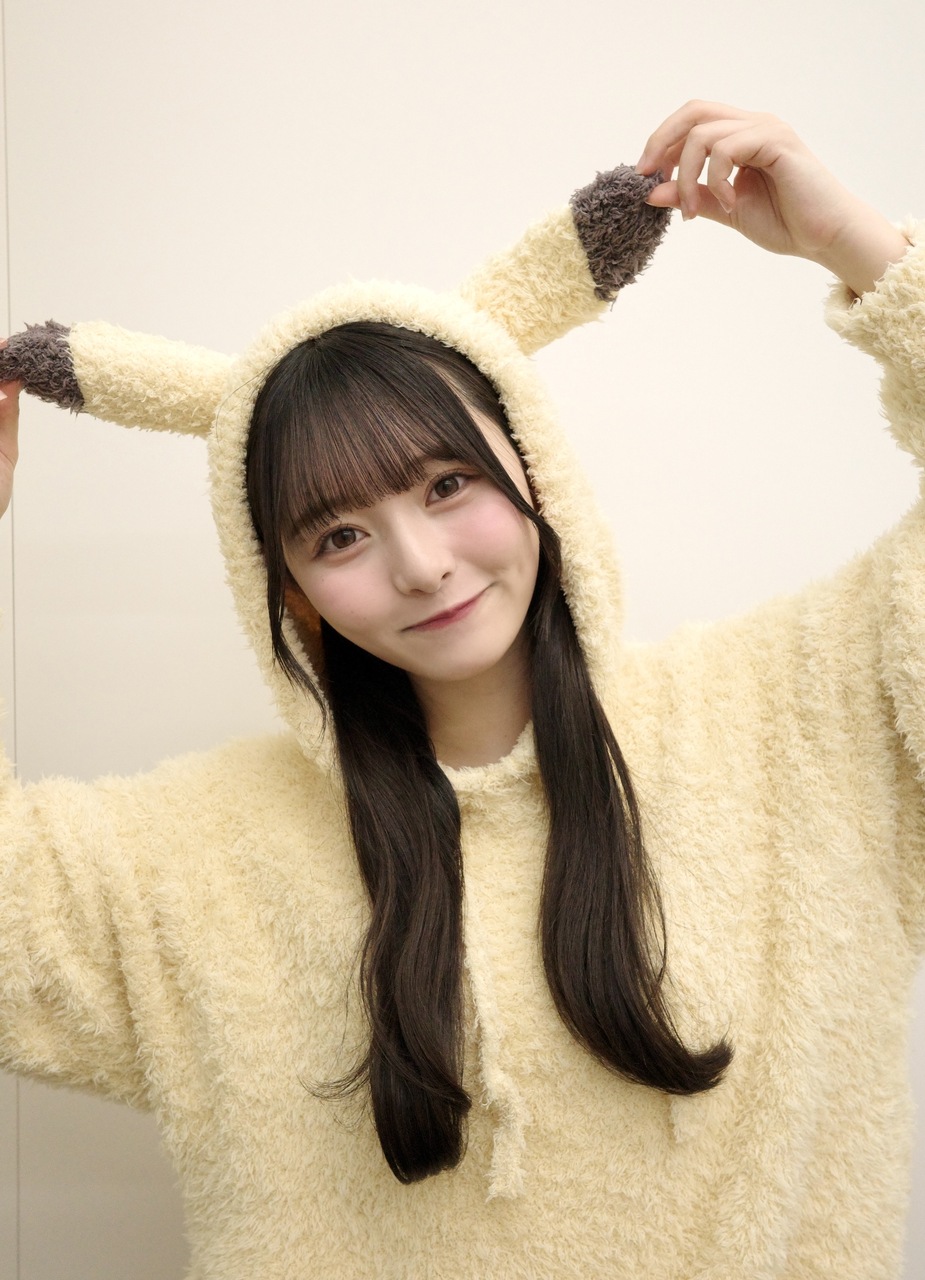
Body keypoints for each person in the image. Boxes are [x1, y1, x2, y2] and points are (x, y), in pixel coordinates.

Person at [0, 101, 921, 1278]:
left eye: (446, 483)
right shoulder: (192, 857)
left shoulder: (798, 719)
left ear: (529, 467)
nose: (421, 564)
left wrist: (868, 256)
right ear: (288, 590)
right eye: (337, 534)